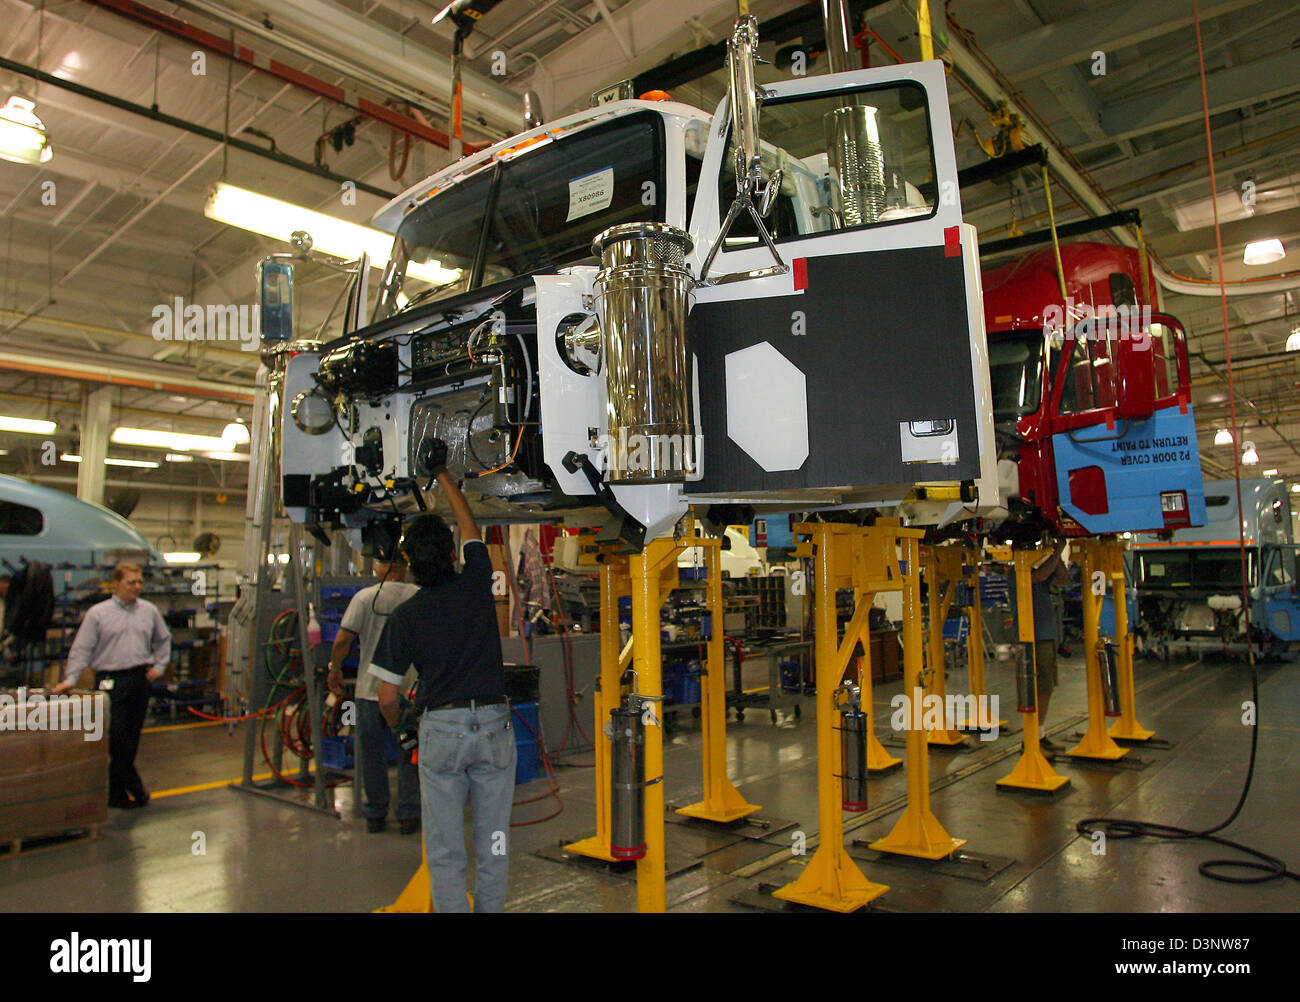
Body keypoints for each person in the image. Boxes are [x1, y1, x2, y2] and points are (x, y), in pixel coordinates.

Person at [369, 443, 516, 913]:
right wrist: (443, 475)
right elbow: (471, 526)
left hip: (442, 734)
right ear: (452, 551)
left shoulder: (405, 615)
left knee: (446, 850)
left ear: (408, 562)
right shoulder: (476, 580)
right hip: (494, 726)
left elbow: (387, 696)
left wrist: (404, 732)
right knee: (493, 842)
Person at [52, 562, 170, 808]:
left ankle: (116, 794)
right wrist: (70, 680)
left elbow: (163, 639)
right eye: (131, 582)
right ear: (116, 584)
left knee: (132, 735)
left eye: (139, 582)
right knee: (116, 736)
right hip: (109, 681)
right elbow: (81, 649)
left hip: (139, 680)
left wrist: (160, 666)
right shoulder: (98, 614)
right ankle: (134, 784)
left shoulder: (149, 611)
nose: (137, 587)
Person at [326, 555, 421, 834]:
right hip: (408, 690)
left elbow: (343, 639)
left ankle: (375, 815)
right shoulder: (419, 596)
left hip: (370, 691)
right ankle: (409, 815)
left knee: (371, 754)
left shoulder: (365, 598)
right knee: (408, 751)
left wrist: (335, 669)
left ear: (386, 568)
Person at [1009, 537, 1070, 758]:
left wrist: (1055, 556)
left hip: (1045, 635)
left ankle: (1040, 735)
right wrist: (1056, 551)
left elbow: (1062, 578)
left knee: (1046, 686)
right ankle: (1030, 739)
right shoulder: (1016, 573)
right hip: (1028, 638)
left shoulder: (1039, 571)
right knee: (1031, 688)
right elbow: (1041, 576)